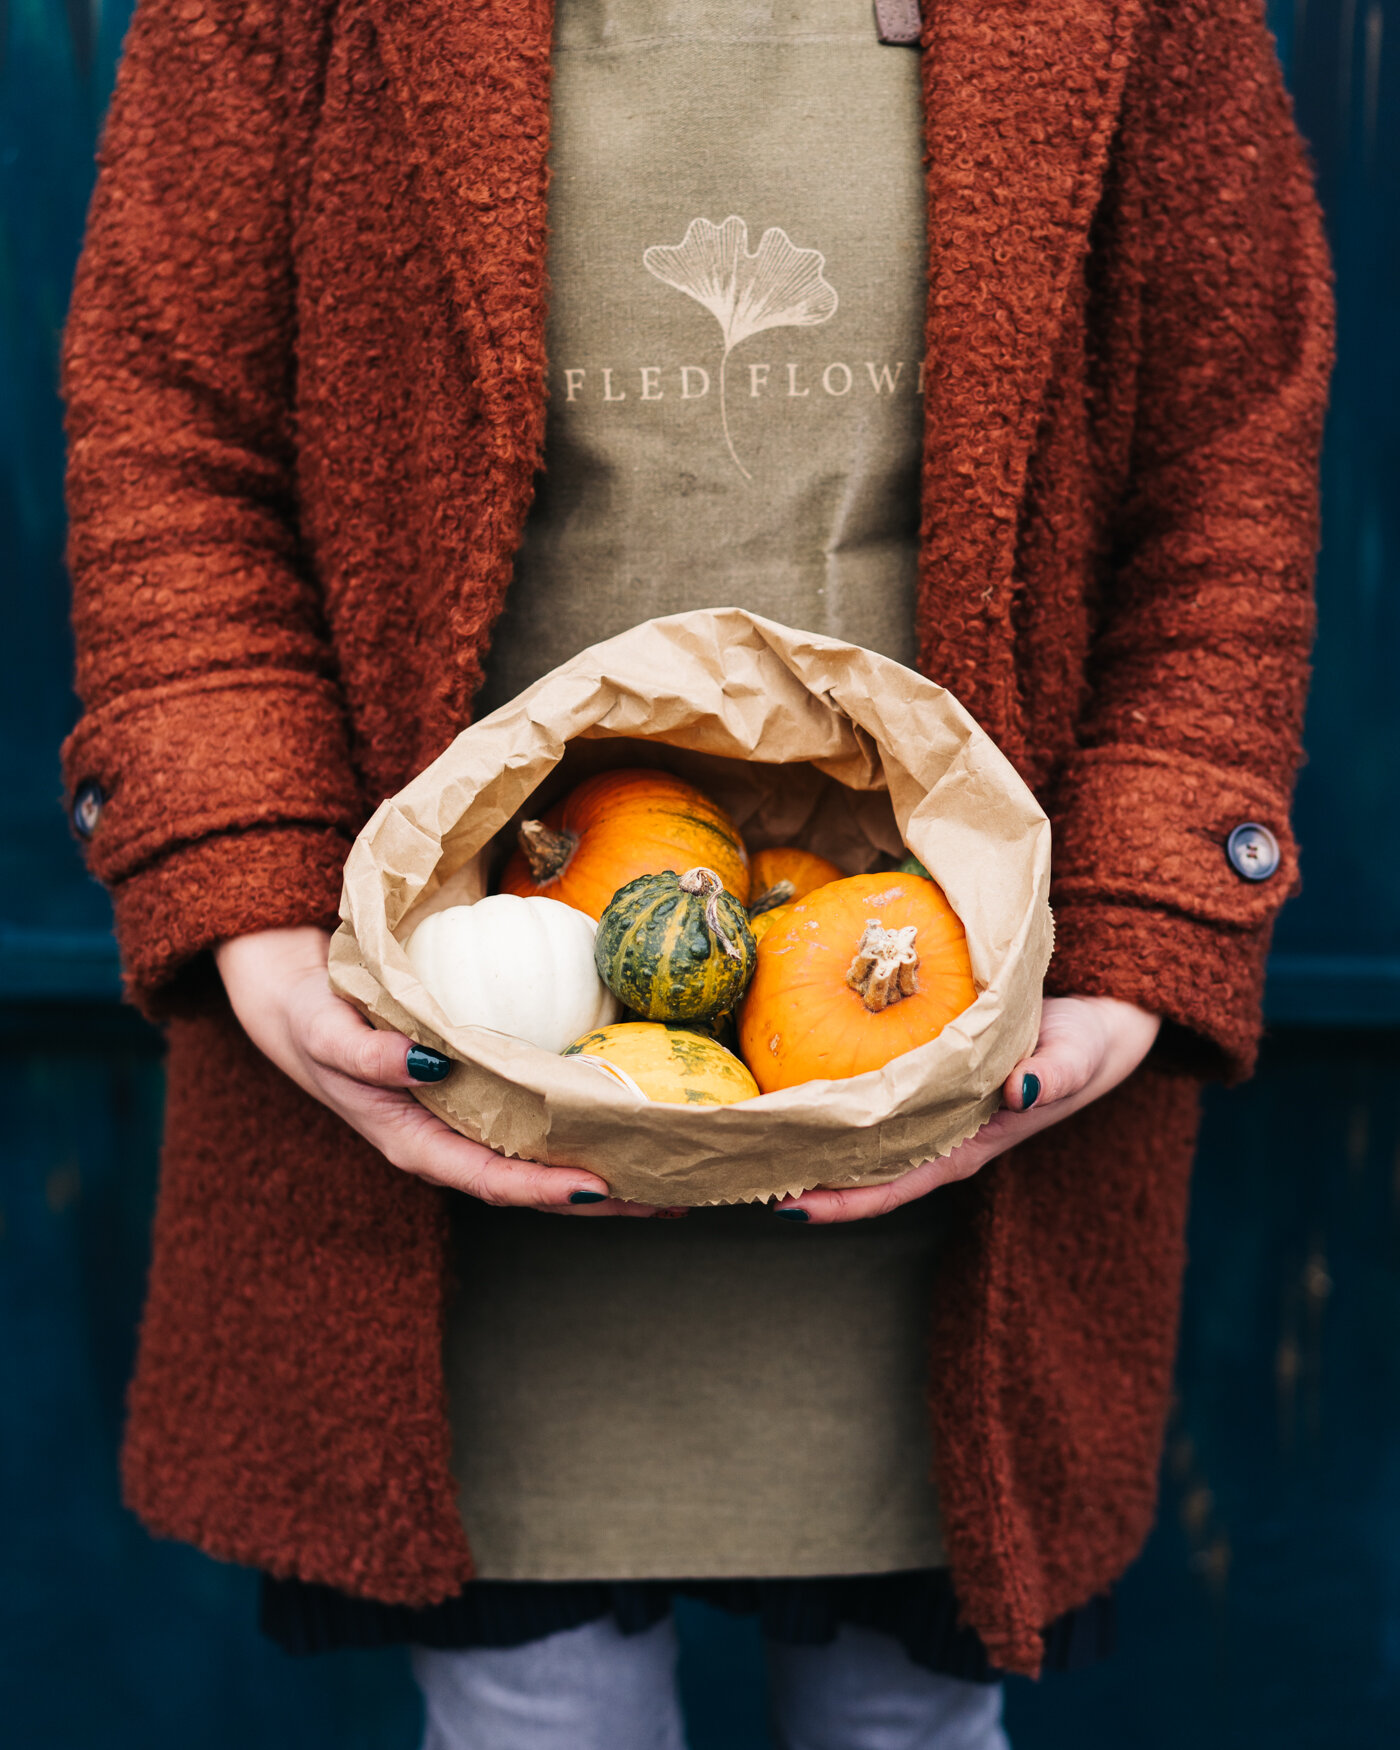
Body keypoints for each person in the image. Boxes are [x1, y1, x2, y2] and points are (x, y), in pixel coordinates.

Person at [60, 0, 1330, 1744]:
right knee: (533, 1712)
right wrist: (255, 891)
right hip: (457, 1069)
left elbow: (1225, 456)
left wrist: (1138, 926)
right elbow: (174, 429)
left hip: (952, 1039)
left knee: (912, 1721)